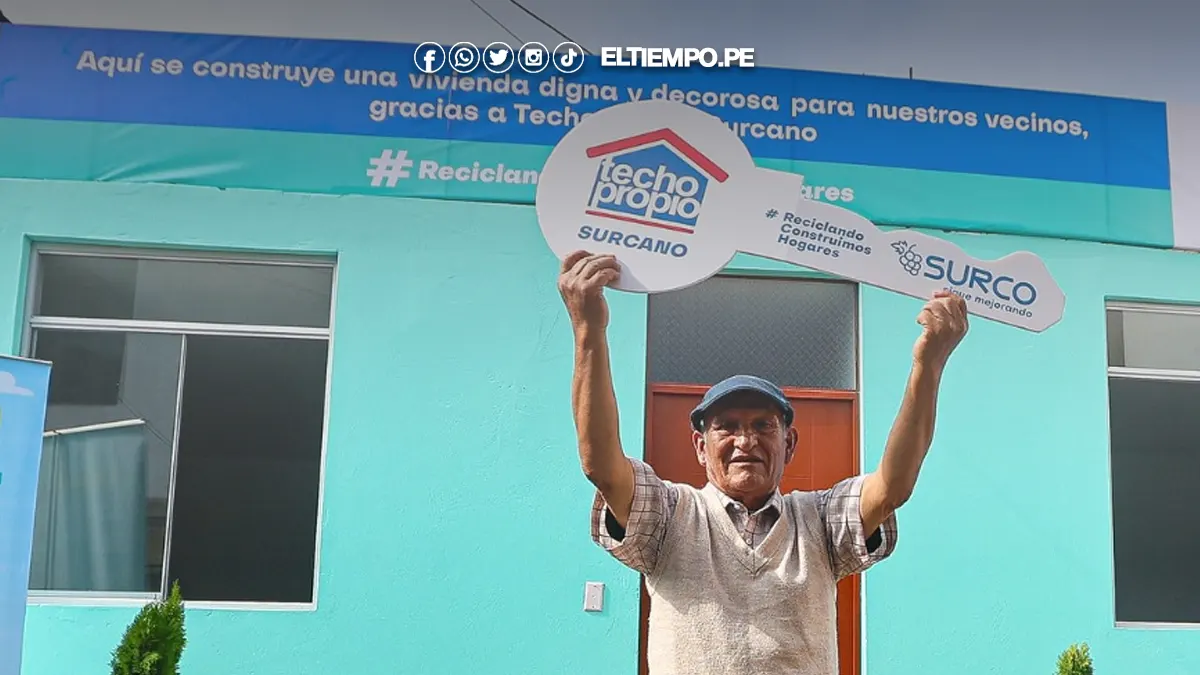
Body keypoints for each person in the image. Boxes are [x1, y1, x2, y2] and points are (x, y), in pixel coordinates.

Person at [557, 250, 969, 675]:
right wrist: (588, 330)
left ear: (789, 444)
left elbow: (892, 487)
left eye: (762, 426)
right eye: (727, 426)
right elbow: (602, 467)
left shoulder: (820, 522)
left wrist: (929, 364)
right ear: (700, 446)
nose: (745, 440)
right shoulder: (669, 516)